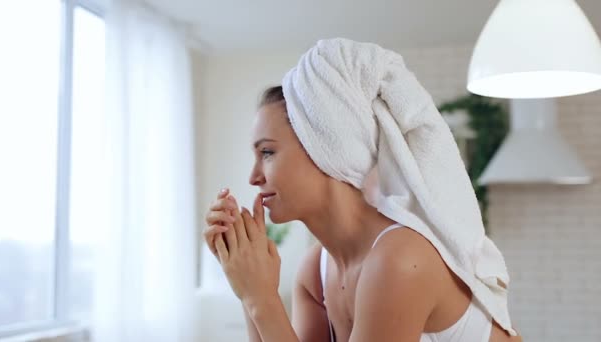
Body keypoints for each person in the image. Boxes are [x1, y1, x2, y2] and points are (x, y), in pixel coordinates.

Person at [203, 39, 523, 341]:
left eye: (268, 152)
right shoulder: (316, 271)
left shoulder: (399, 258)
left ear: (324, 148)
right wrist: (246, 282)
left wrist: (260, 298)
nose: (253, 177)